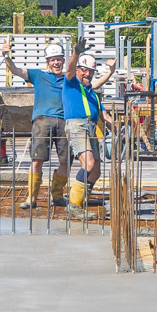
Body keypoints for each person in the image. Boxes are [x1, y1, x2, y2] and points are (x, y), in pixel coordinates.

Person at [10, 38, 70, 210]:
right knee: (37, 160)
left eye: (59, 59)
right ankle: (32, 198)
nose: (56, 62)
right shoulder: (38, 75)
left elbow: (90, 83)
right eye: (53, 60)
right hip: (42, 121)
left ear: (63, 60)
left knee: (66, 161)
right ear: (48, 62)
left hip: (64, 121)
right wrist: (6, 56)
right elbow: (15, 70)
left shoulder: (69, 78)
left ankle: (57, 195)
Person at [63, 50, 116, 212]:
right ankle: (73, 204)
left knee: (96, 170)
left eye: (91, 72)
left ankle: (81, 198)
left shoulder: (92, 94)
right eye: (84, 70)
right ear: (78, 70)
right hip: (77, 125)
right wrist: (75, 54)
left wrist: (120, 132)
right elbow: (69, 70)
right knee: (89, 163)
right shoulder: (71, 84)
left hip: (91, 127)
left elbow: (105, 116)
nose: (87, 74)